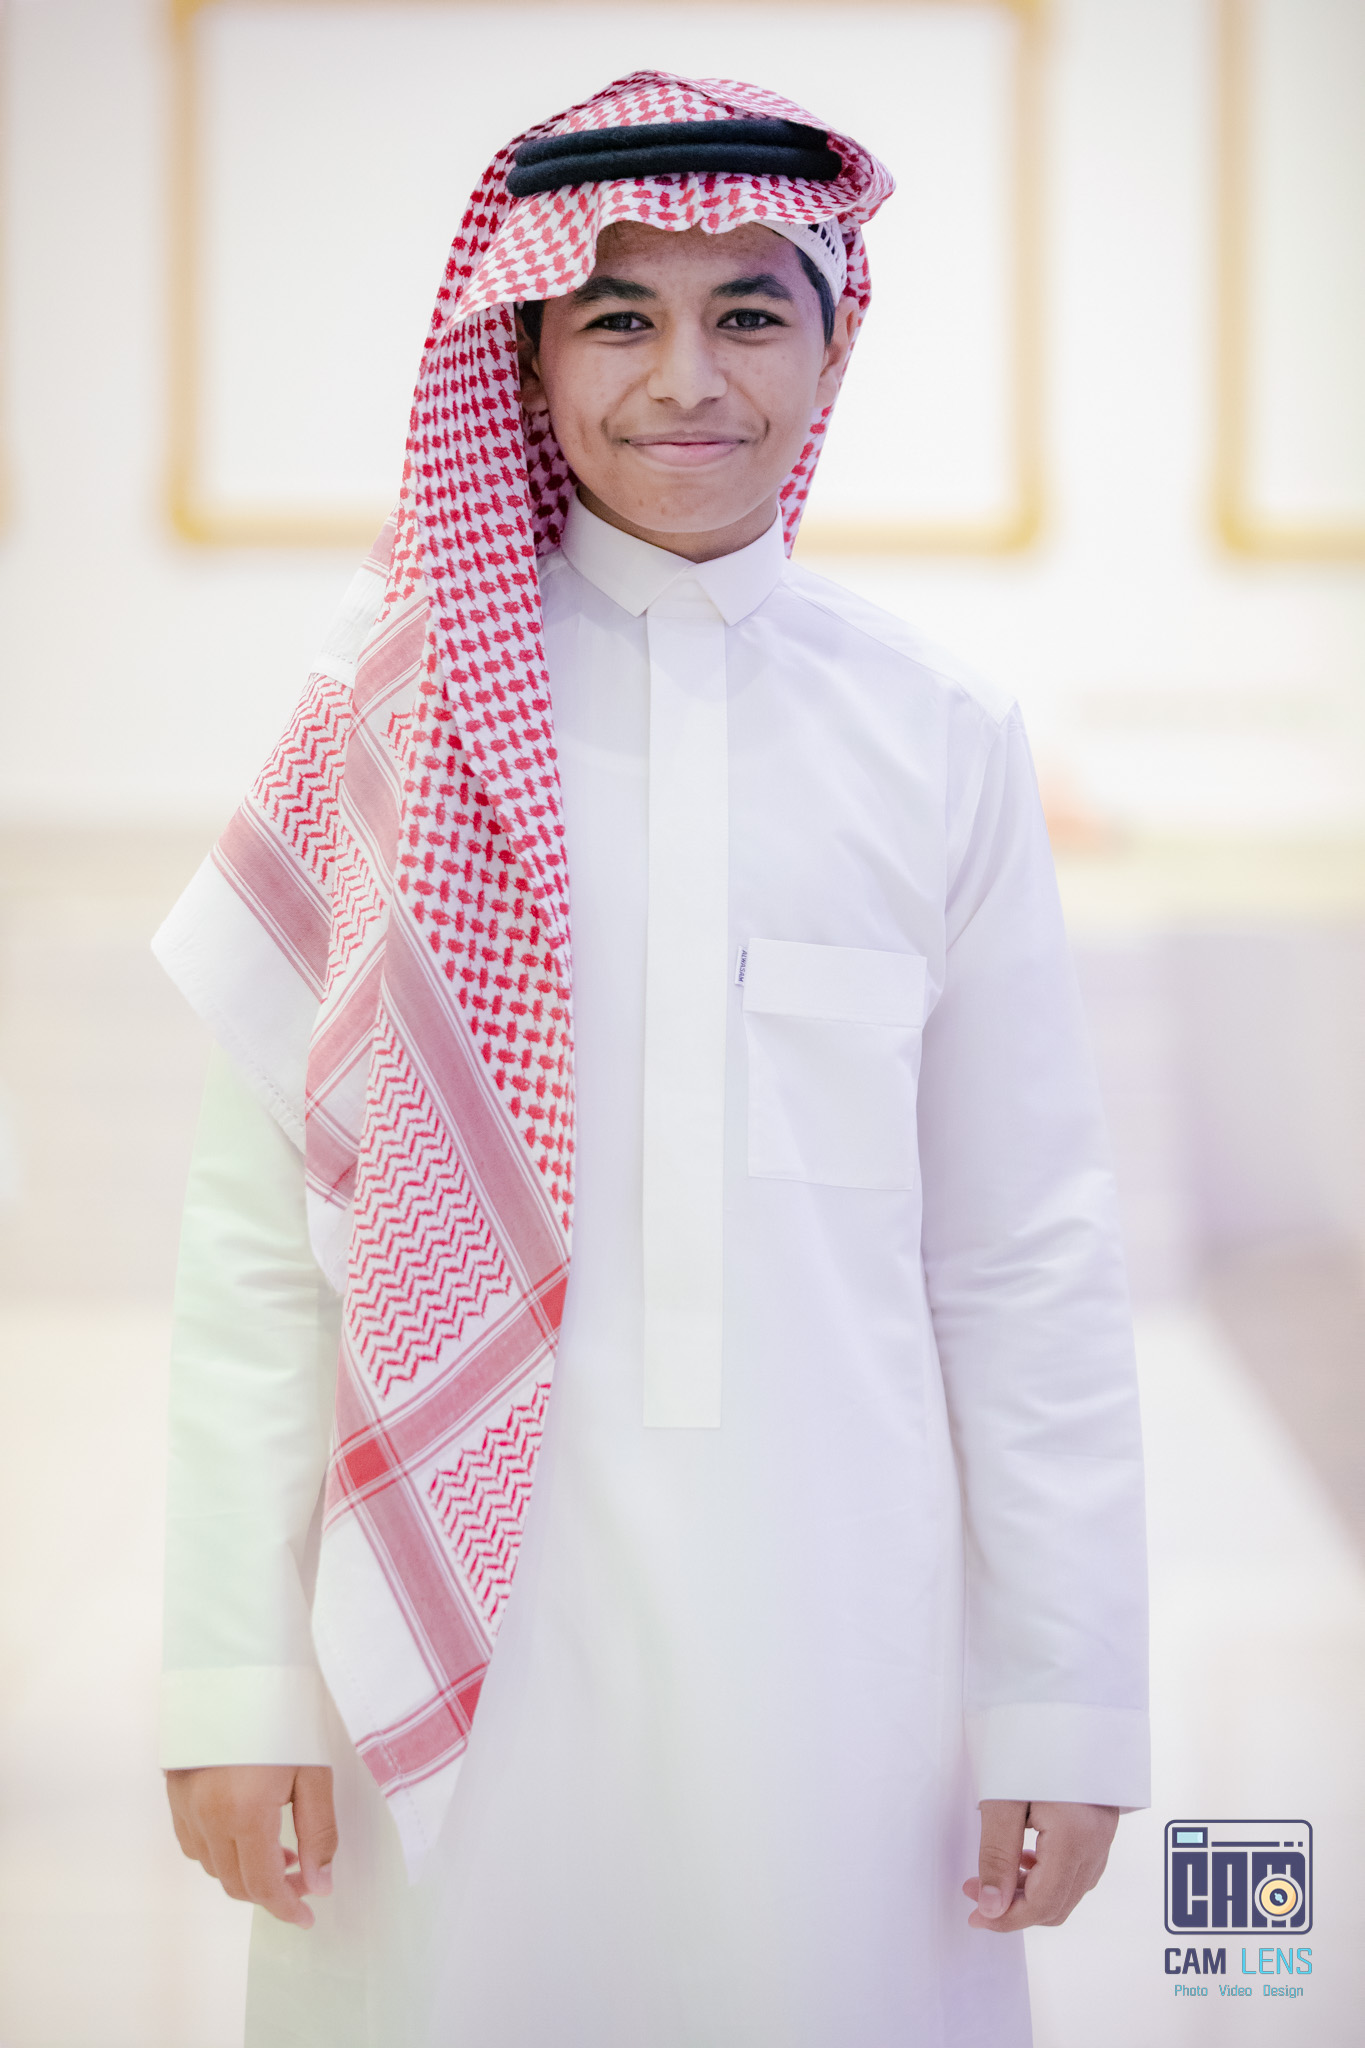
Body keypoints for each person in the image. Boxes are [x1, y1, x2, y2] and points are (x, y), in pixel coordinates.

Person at [155, 70, 1148, 2048]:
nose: (684, 377)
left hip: (841, 1639)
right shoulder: (384, 722)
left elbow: (1021, 1254)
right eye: (616, 317)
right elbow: (257, 1252)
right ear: (523, 359)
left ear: (832, 346)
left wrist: (1060, 1694)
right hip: (451, 1640)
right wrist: (230, 1681)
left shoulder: (935, 738)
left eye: (746, 313)